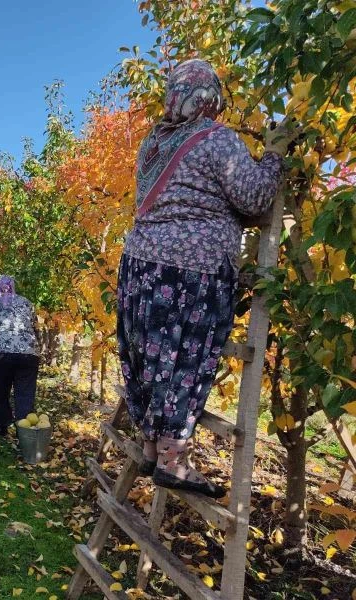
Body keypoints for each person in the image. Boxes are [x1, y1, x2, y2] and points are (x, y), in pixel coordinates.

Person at [117, 59, 300, 498]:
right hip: (190, 273)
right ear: (209, 97)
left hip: (139, 265)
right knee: (185, 361)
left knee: (147, 357)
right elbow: (254, 194)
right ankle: (172, 460)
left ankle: (149, 445)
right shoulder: (217, 140)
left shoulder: (152, 145)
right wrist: (273, 152)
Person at [0, 275, 40, 437]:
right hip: (28, 353)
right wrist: (37, 349)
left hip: (2, 354)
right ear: (13, 287)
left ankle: (2, 425)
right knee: (25, 392)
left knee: (2, 390)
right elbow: (35, 328)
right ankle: (24, 430)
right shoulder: (26, 302)